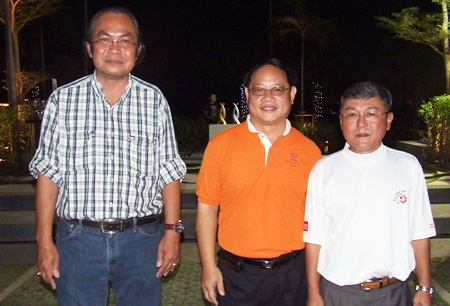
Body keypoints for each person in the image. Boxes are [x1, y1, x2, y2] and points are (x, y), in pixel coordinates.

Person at [29, 7, 186, 306]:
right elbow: (48, 173)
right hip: (78, 240)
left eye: (125, 41)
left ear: (138, 50)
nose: (115, 48)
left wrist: (172, 232)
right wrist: (44, 241)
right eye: (105, 39)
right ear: (89, 48)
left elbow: (169, 171)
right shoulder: (63, 101)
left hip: (141, 239)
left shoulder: (153, 101)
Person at [196, 58, 322, 306]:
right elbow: (207, 208)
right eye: (259, 89)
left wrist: (312, 286)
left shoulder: (310, 152)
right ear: (247, 94)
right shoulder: (220, 146)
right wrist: (209, 266)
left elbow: (317, 224)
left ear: (292, 94)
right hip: (237, 276)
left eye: (277, 89)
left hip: (293, 275)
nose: (268, 97)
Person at [304, 82, 436, 306]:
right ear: (341, 121)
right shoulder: (324, 170)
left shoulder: (407, 166)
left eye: (371, 113)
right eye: (352, 114)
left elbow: (419, 231)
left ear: (388, 120)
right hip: (338, 292)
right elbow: (314, 238)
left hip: (393, 291)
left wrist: (424, 286)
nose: (361, 123)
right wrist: (313, 292)